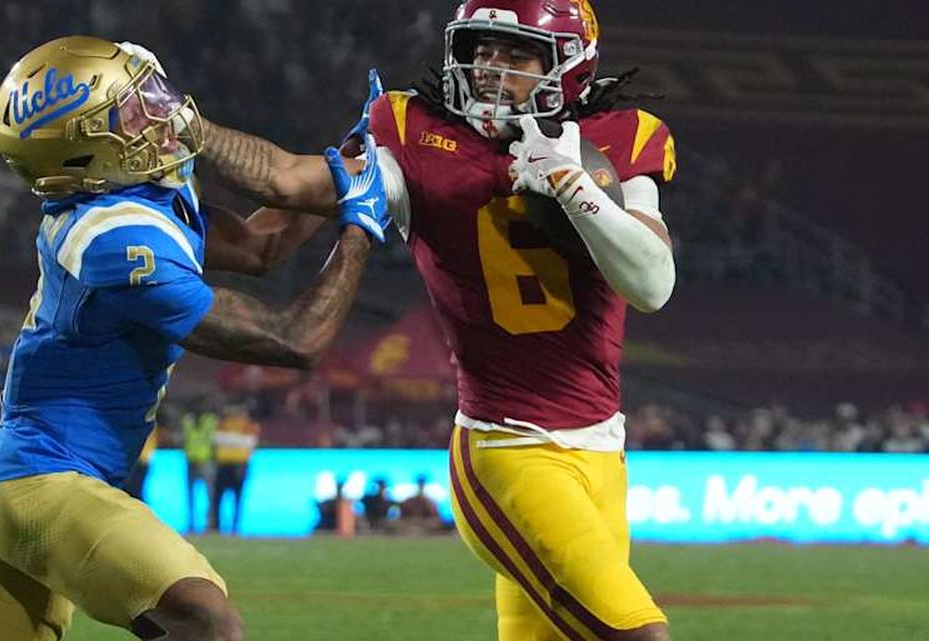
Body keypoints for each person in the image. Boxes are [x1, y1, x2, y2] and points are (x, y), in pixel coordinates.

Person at [192, 1, 677, 638]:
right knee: (638, 633)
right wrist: (187, 125)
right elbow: (284, 181)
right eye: (481, 49)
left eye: (516, 53)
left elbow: (652, 284)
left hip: (602, 451)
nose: (491, 68)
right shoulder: (414, 138)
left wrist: (570, 184)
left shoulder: (621, 136)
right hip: (506, 450)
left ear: (569, 66)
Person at [0, 35, 390, 641]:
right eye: (128, 111)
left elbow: (261, 246)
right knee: (204, 620)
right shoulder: (113, 241)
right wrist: (360, 226)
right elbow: (294, 339)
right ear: (86, 150)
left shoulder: (135, 199)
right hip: (44, 481)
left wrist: (349, 170)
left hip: (14, 490)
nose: (155, 114)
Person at [210, 404, 260, 535]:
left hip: (239, 465)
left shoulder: (247, 425)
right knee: (219, 498)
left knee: (236, 499)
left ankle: (234, 528)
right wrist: (237, 441)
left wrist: (229, 440)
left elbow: (249, 442)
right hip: (226, 464)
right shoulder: (224, 423)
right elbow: (216, 439)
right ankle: (218, 527)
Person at [181, 406, 219, 532]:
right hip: (191, 460)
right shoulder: (187, 420)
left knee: (210, 495)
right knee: (191, 495)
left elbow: (214, 441)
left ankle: (209, 524)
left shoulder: (210, 420)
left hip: (205, 460)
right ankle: (192, 524)